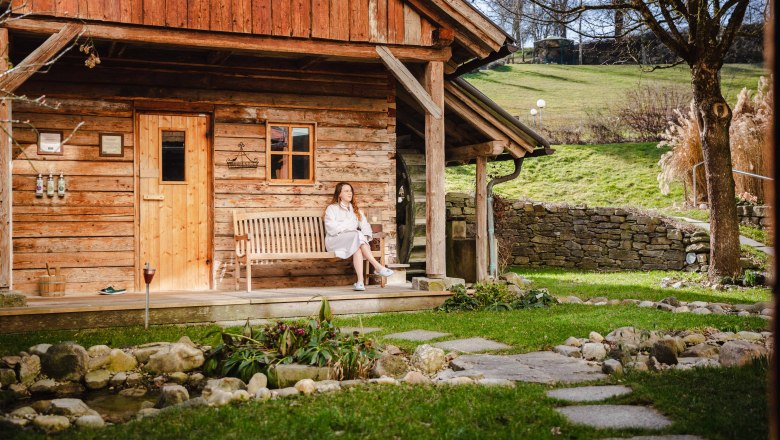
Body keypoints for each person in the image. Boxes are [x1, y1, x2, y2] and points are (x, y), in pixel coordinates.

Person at [324, 182, 393, 291]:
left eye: (351, 191)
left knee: (357, 246)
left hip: (352, 241)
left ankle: (360, 282)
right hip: (335, 241)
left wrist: (363, 237)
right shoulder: (332, 209)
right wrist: (351, 229)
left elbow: (365, 226)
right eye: (346, 191)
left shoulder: (356, 211)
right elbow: (331, 228)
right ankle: (377, 266)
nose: (350, 193)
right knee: (356, 235)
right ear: (339, 194)